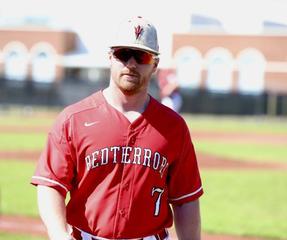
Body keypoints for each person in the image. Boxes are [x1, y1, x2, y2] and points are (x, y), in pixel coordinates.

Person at [31, 16, 203, 240]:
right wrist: (58, 233)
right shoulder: (73, 119)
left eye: (142, 55)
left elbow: (185, 200)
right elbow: (51, 185)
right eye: (123, 54)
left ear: (155, 65)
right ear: (110, 57)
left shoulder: (173, 127)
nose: (131, 63)